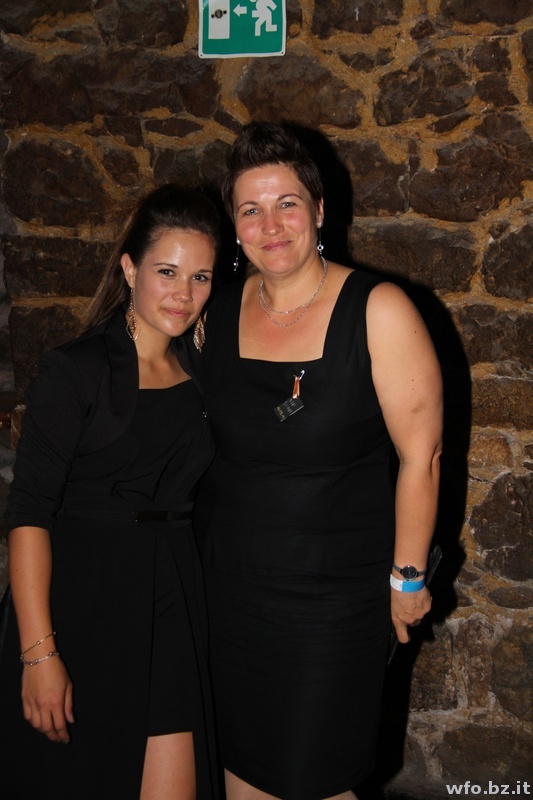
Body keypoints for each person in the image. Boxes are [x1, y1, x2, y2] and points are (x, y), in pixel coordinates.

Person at [194, 122, 443, 800]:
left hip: (331, 603)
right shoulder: (216, 311)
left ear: (320, 210)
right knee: (239, 771)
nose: (270, 225)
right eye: (250, 209)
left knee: (317, 778)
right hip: (227, 593)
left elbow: (421, 456)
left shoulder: (378, 310)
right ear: (234, 224)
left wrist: (407, 578)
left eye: (287, 204)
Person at [0, 184, 221, 799]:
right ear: (129, 269)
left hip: (172, 600)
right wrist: (39, 654)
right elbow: (29, 513)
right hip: (83, 604)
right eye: (167, 271)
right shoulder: (75, 370)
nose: (183, 294)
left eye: (200, 277)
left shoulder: (203, 372)